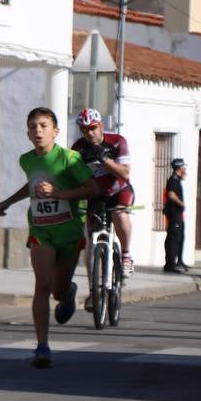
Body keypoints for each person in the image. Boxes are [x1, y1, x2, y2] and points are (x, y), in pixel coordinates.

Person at [0, 107, 97, 369]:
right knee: (42, 284)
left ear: (55, 131)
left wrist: (58, 193)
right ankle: (42, 346)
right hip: (41, 230)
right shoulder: (27, 160)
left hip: (70, 232)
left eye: (43, 126)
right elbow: (31, 185)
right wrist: (7, 202)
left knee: (58, 290)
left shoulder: (70, 159)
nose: (38, 131)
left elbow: (92, 189)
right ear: (27, 133)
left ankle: (69, 292)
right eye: (33, 127)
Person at [70, 108, 135, 310]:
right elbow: (71, 177)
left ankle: (126, 254)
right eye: (85, 129)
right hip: (95, 196)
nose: (90, 133)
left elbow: (124, 174)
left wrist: (104, 159)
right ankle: (93, 292)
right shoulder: (78, 148)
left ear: (101, 126)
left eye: (93, 128)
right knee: (91, 242)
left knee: (118, 212)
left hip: (119, 190)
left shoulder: (117, 141)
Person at [163, 158, 189, 273]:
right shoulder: (173, 180)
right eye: (183, 167)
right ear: (179, 168)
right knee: (173, 239)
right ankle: (170, 264)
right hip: (174, 214)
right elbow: (171, 195)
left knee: (180, 238)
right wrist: (181, 203)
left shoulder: (177, 180)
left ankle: (179, 261)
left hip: (178, 214)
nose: (185, 170)